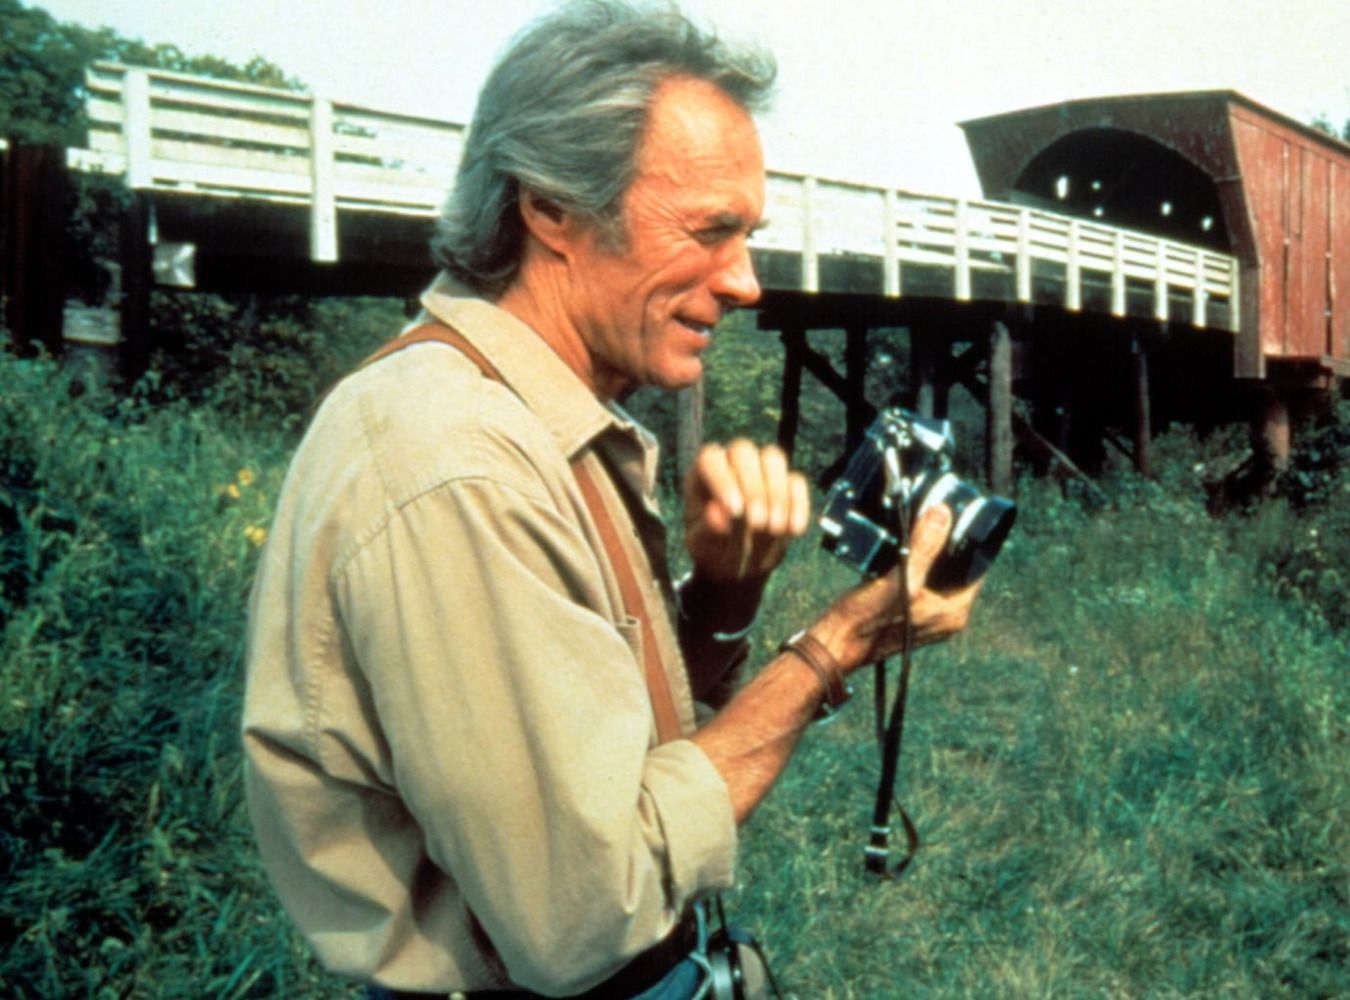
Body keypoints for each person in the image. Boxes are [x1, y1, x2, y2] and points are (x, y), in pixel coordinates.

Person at [239, 2, 983, 996]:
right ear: (549, 207)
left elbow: (599, 751)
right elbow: (585, 914)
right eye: (710, 231)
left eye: (748, 234)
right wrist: (838, 643)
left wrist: (720, 601)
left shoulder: (527, 414)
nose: (747, 282)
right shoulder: (458, 464)